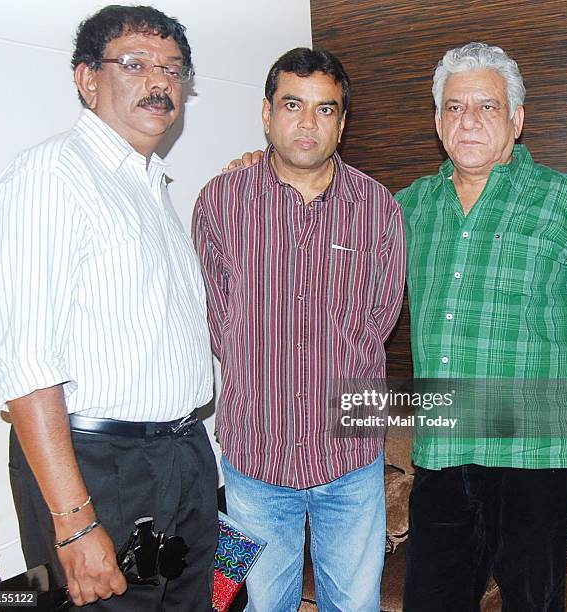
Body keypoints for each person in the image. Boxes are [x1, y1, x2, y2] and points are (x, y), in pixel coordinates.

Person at [0, 5, 218, 610]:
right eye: (136, 64)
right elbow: (26, 365)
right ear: (87, 78)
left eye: (173, 68)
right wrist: (77, 524)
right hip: (98, 467)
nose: (160, 82)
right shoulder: (52, 174)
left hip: (181, 456)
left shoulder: (153, 189)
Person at [192, 47, 405, 611]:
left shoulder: (378, 208)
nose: (308, 122)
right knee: (260, 603)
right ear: (266, 113)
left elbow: (378, 322)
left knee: (356, 604)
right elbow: (219, 319)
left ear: (342, 122)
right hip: (251, 463)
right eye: (292, 104)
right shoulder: (219, 202)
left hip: (350, 463)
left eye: (326, 109)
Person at [397, 42, 567, 611]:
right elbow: (323, 226)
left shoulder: (566, 203)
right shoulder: (405, 208)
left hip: (536, 455)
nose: (467, 119)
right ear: (436, 121)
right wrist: (263, 169)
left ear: (517, 119)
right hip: (443, 448)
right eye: (453, 107)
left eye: (486, 106)